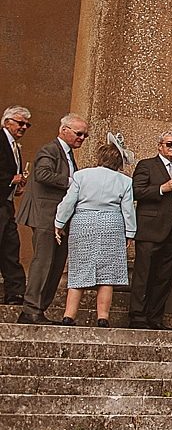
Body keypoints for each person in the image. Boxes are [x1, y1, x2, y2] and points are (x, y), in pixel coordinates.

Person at [52, 141, 135, 327]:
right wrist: (130, 232)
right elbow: (128, 210)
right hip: (111, 223)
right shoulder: (125, 181)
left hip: (84, 221)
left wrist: (59, 222)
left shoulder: (81, 176)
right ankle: (103, 317)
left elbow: (69, 202)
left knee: (79, 267)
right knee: (108, 273)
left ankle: (69, 315)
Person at [21, 112, 88, 324]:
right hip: (45, 216)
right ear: (64, 130)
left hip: (59, 217)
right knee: (44, 261)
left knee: (56, 264)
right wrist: (72, 182)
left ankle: (39, 309)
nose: (82, 138)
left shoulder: (67, 154)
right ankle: (31, 308)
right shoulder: (50, 150)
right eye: (79, 133)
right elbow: (41, 174)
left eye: (85, 135)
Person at [124, 131, 172, 330]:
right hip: (151, 230)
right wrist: (162, 188)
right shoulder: (147, 165)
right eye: (169, 143)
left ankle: (155, 317)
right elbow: (136, 191)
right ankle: (138, 316)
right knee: (144, 274)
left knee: (164, 277)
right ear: (159, 146)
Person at [0, 106, 29, 310]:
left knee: (11, 246)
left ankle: (15, 292)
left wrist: (16, 186)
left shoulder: (16, 147)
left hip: (7, 204)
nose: (24, 127)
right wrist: (11, 179)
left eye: (27, 124)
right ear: (7, 122)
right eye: (21, 123)